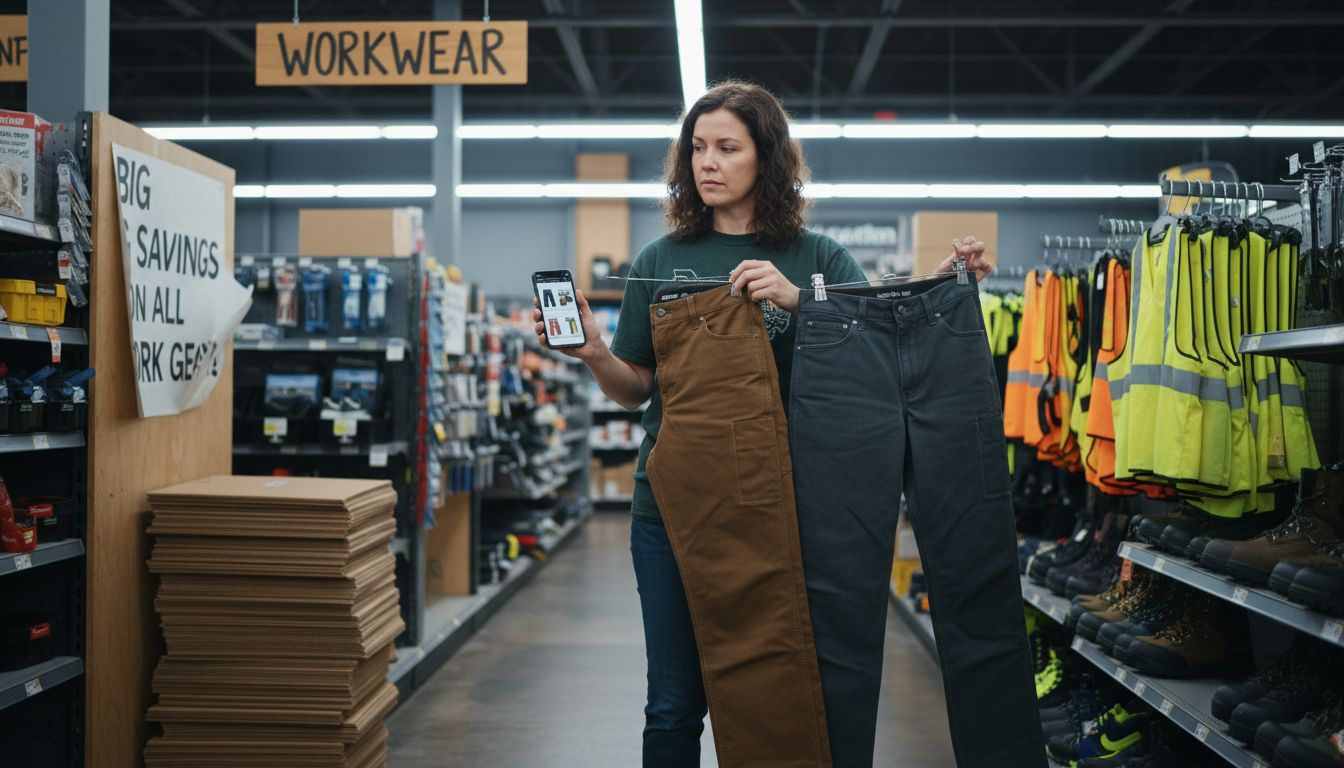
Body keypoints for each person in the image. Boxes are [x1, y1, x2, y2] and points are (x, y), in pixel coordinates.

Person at [532, 80, 993, 767]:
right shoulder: (660, 259)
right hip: (674, 510)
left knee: (780, 693)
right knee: (673, 704)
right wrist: (596, 351)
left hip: (788, 509)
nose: (707, 163)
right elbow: (636, 392)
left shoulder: (818, 256)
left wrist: (805, 300)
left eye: (727, 147)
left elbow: (878, 341)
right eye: (697, 149)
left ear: (766, 158)